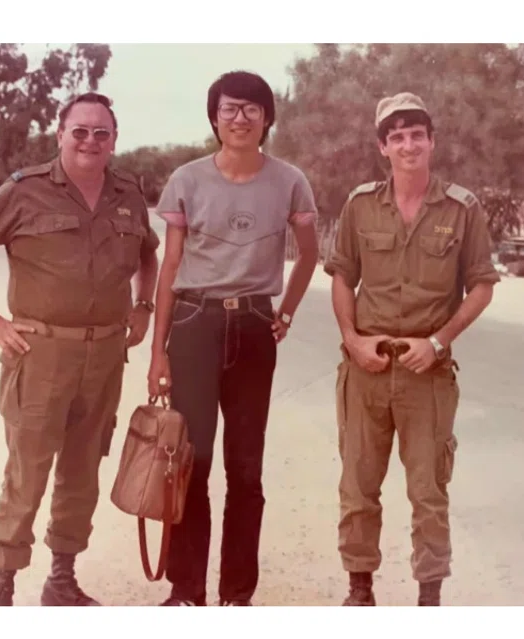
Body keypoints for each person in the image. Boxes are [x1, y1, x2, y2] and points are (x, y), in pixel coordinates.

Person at [0, 92, 160, 606]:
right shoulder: (25, 191)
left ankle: (61, 579)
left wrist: (143, 305)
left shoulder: (128, 193)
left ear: (113, 139)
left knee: (83, 469)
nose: (90, 140)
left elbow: (148, 255)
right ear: (60, 134)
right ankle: (3, 584)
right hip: (41, 355)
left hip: (105, 356)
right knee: (28, 469)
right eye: (80, 130)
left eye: (101, 132)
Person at [146, 70, 320, 606]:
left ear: (267, 118)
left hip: (252, 326)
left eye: (251, 109)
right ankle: (186, 590)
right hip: (193, 327)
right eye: (228, 109)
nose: (239, 118)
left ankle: (237, 594)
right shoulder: (187, 180)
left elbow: (309, 252)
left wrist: (284, 313)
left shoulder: (290, 181)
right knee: (189, 463)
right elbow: (171, 265)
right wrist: (158, 352)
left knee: (245, 469)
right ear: (214, 118)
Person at [324, 92, 500, 606]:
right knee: (358, 487)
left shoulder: (463, 208)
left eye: (416, 134)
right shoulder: (359, 206)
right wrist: (352, 340)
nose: (408, 144)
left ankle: (429, 599)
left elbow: (482, 285)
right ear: (383, 146)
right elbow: (341, 277)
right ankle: (360, 591)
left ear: (432, 140)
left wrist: (439, 340)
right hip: (367, 370)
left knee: (429, 493)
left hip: (427, 374)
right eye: (396, 136)